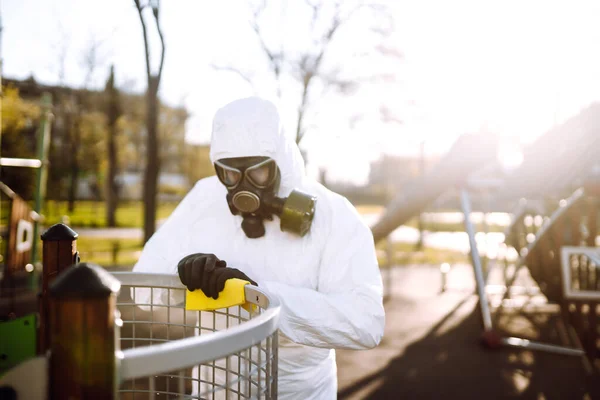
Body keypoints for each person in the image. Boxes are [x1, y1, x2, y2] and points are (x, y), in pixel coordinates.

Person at [132, 97, 385, 399]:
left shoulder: (333, 215)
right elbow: (141, 290)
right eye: (230, 173)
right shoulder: (205, 198)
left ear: (280, 161)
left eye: (258, 172)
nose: (243, 187)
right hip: (214, 390)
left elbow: (365, 323)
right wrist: (182, 275)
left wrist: (260, 298)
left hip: (297, 392)